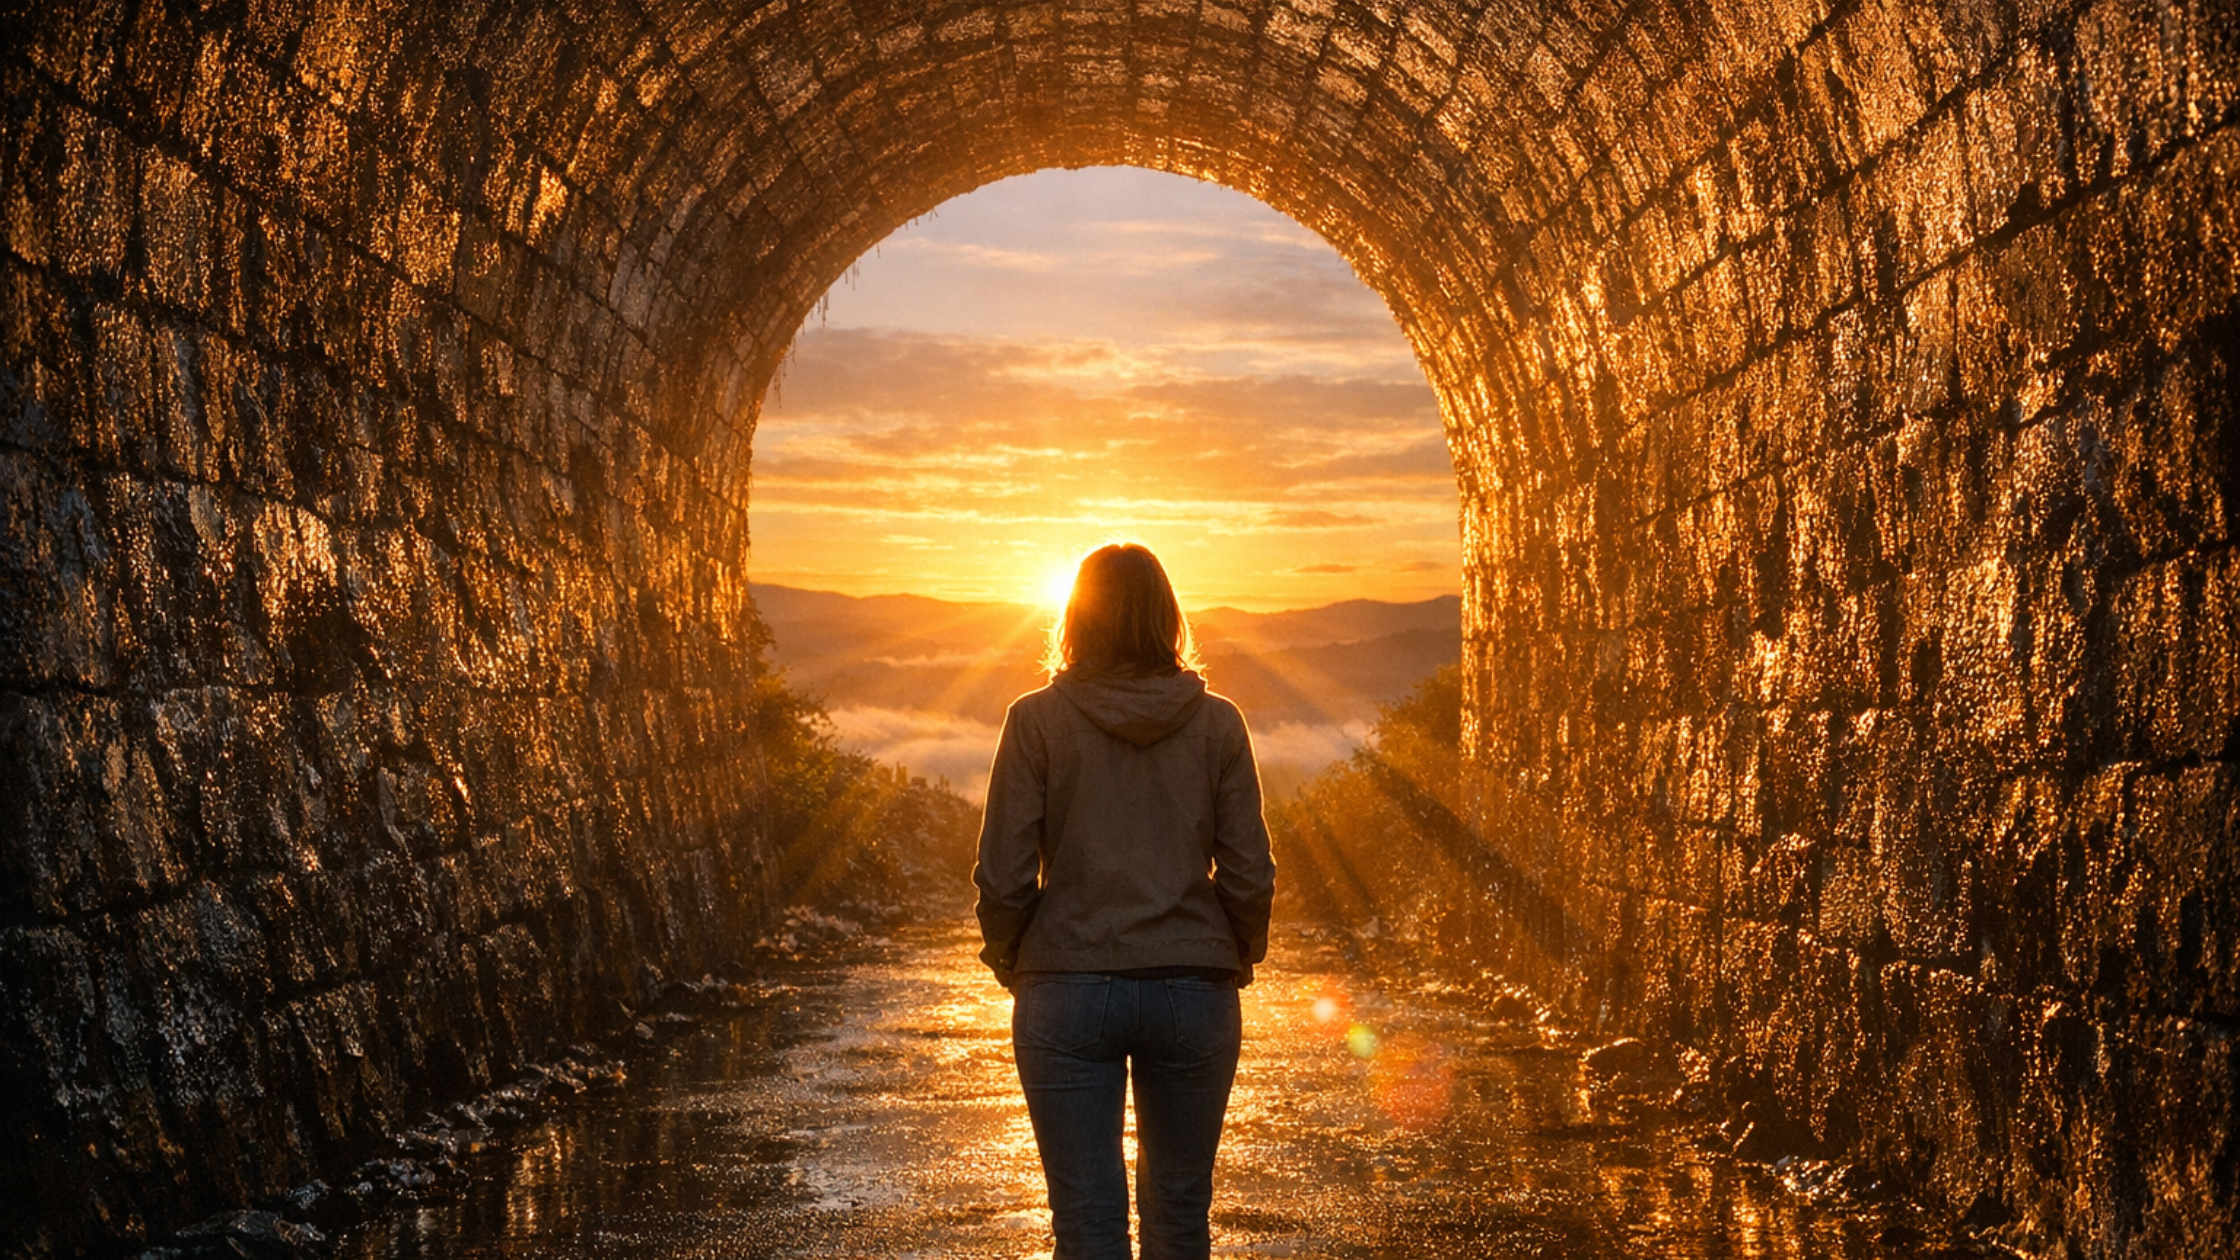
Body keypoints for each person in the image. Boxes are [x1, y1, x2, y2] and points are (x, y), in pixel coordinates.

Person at [974, 542, 1276, 1260]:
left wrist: (1014, 956)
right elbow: (1249, 874)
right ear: (1167, 617)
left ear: (1077, 616)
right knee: (1178, 1213)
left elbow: (1005, 873)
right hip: (1192, 988)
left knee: (1084, 1220)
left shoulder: (1035, 720)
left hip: (1065, 986)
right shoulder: (1220, 723)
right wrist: (1231, 952)